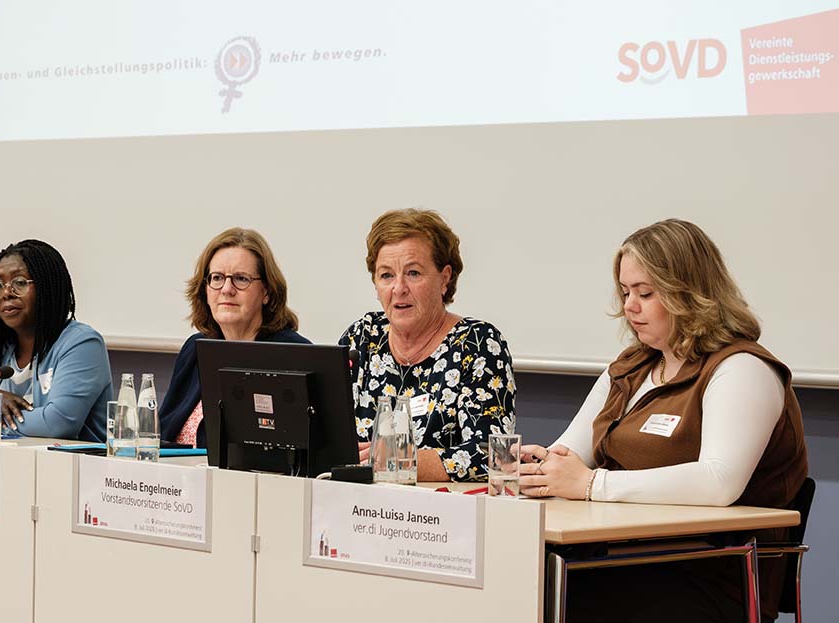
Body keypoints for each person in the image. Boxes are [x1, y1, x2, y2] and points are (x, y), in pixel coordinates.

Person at [518, 219, 808, 622]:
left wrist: (592, 484)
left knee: (537, 599)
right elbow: (570, 453)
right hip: (618, 557)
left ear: (690, 293)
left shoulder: (742, 368)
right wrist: (540, 468)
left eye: (645, 293)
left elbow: (719, 481)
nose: (629, 306)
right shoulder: (631, 367)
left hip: (706, 573)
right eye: (625, 292)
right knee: (513, 584)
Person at [339, 208, 516, 482]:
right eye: (386, 275)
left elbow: (496, 455)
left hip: (440, 505)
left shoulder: (477, 344)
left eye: (413, 273)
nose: (399, 288)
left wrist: (404, 461)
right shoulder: (362, 337)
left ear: (445, 278)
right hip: (354, 499)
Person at [159, 228, 310, 447]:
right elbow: (159, 435)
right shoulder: (196, 348)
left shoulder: (292, 354)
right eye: (217, 278)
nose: (226, 289)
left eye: (241, 279)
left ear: (266, 292)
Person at [0, 240, 112, 441]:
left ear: (48, 287)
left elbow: (58, 423)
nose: (6, 293)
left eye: (19, 282)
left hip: (69, 461)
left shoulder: (82, 344)